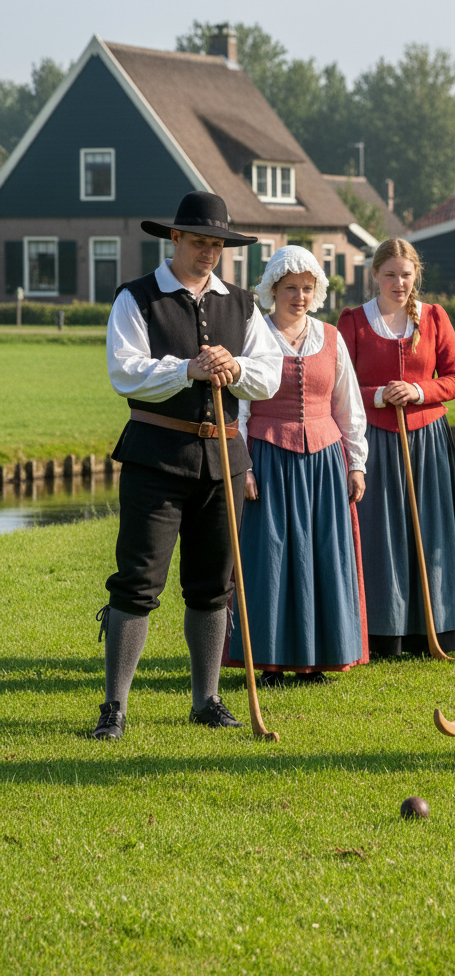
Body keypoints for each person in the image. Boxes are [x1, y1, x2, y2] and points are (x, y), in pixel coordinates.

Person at [93, 191, 283, 740]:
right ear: (174, 239)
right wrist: (188, 370)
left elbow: (267, 376)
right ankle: (115, 708)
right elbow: (125, 372)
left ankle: (207, 699)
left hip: (222, 460)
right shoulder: (137, 298)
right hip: (156, 458)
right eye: (199, 241)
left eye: (217, 244)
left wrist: (233, 365)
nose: (209, 252)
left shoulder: (242, 305)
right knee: (137, 583)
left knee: (212, 586)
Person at [221, 246, 369, 685]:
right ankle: (270, 660)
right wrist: (243, 466)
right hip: (268, 457)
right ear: (272, 290)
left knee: (324, 554)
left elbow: (349, 406)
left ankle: (318, 658)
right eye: (290, 288)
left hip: (325, 459)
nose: (299, 296)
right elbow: (241, 406)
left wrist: (356, 464)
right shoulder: (255, 336)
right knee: (270, 557)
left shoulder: (331, 337)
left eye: (307, 288)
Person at [338, 238, 455, 658]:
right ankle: (384, 634)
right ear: (374, 276)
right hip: (374, 440)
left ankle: (433, 630)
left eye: (406, 274)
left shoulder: (434, 317)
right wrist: (380, 394)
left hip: (427, 440)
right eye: (390, 274)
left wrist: (417, 390)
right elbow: (337, 387)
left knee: (430, 532)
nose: (399, 282)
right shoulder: (354, 321)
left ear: (416, 274)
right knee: (381, 535)